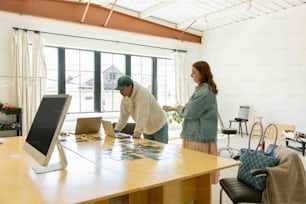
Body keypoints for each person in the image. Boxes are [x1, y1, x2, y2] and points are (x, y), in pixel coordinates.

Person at [163, 60, 219, 184]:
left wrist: (175, 108)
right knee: (196, 170)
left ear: (202, 74)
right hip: (198, 134)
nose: (191, 75)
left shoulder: (204, 92)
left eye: (194, 72)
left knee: (196, 170)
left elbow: (190, 112)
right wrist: (174, 108)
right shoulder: (203, 89)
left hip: (198, 136)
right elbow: (191, 109)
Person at [114, 75, 168, 144]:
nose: (120, 92)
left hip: (159, 126)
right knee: (148, 153)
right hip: (146, 129)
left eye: (122, 89)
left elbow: (142, 114)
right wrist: (116, 130)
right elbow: (123, 116)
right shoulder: (125, 98)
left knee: (161, 152)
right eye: (119, 90)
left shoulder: (142, 93)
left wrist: (137, 132)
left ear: (130, 86)